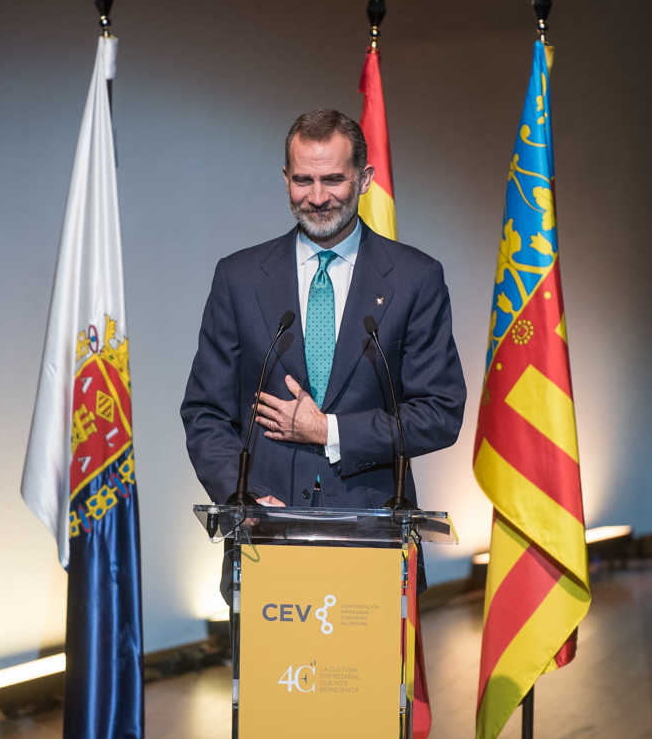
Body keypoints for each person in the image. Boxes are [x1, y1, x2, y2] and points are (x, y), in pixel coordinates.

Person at [181, 110, 466, 560]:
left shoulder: (415, 278)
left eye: (333, 180)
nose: (316, 197)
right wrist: (246, 500)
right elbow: (205, 413)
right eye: (302, 180)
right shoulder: (238, 278)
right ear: (285, 178)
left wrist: (328, 430)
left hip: (375, 541)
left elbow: (439, 413)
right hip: (265, 541)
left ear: (365, 179)